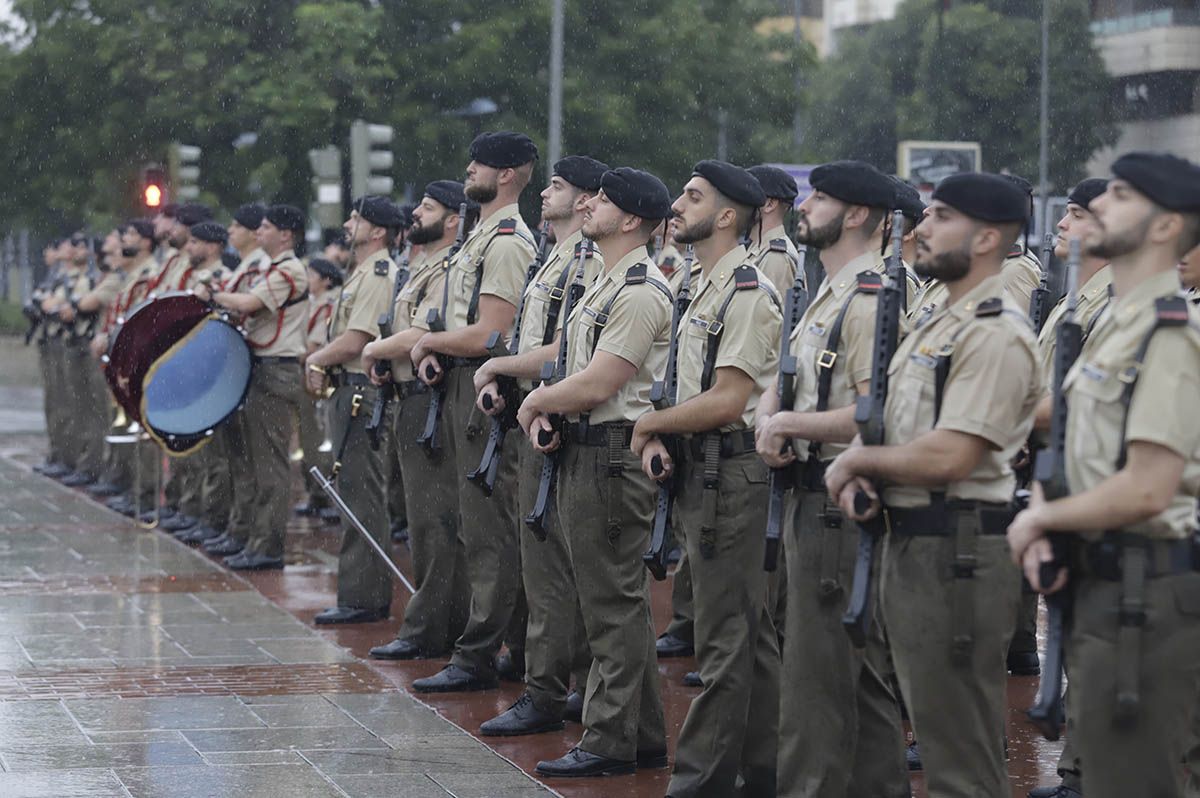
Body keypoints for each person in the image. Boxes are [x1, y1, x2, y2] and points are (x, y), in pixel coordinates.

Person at [825, 172, 1043, 796]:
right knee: (931, 722)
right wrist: (868, 458)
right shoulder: (939, 319)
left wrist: (855, 464)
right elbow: (890, 418)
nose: (921, 228)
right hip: (914, 542)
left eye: (942, 216)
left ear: (987, 238)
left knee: (959, 754)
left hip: (958, 549)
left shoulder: (994, 329)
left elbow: (952, 454)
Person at [1008, 152, 1200, 798]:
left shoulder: (1168, 334)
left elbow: (1148, 486)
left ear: (1167, 226)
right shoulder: (1119, 323)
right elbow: (1075, 443)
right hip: (1102, 579)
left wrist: (1042, 518)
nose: (1098, 207)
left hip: (1144, 590)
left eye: (1119, 195)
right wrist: (1048, 507)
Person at [755, 159, 911, 798]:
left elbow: (877, 415)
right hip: (810, 494)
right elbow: (790, 380)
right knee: (860, 675)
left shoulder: (869, 296)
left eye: (820, 198)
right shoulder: (832, 290)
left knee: (816, 678)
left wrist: (789, 421)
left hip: (835, 504)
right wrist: (772, 414)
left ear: (855, 215)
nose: (805, 205)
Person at [517, 166, 673, 777]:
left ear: (630, 220)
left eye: (604, 201)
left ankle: (610, 740)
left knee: (612, 605)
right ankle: (643, 735)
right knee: (610, 601)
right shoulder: (606, 281)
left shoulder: (638, 288)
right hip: (589, 449)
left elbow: (603, 381)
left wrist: (535, 401)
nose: (591, 205)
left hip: (610, 454)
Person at [632, 160, 782, 795]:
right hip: (707, 468)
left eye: (692, 197)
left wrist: (650, 423)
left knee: (726, 638)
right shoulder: (703, 283)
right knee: (749, 633)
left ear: (726, 216)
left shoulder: (746, 289)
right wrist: (667, 429)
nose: (678, 206)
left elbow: (727, 399)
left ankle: (701, 779)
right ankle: (765, 768)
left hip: (733, 471)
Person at [471, 156, 608, 735]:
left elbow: (562, 353)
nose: (545, 194)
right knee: (544, 563)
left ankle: (550, 691)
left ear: (583, 202)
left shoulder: (588, 260)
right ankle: (560, 680)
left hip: (558, 423)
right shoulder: (555, 256)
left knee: (553, 569)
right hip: (533, 417)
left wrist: (500, 364)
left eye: (557, 186)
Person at [408, 132, 538, 691]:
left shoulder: (506, 240)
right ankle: (514, 644)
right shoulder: (482, 235)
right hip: (462, 387)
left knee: (489, 529)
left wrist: (432, 345)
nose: (469, 169)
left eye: (480, 163)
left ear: (507, 174)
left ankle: (480, 654)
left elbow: (492, 332)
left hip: (485, 393)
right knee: (477, 524)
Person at [364, 181, 475, 660]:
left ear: (453, 220)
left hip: (429, 400)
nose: (415, 213)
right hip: (408, 396)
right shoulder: (421, 268)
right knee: (426, 519)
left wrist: (374, 348)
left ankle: (429, 630)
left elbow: (425, 330)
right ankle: (441, 624)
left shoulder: (448, 267)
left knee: (434, 521)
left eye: (427, 208)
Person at [306, 197, 405, 617]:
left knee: (361, 494)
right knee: (352, 491)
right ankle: (357, 593)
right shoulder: (362, 272)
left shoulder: (380, 273)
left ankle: (364, 598)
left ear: (378, 231)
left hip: (360, 392)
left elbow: (358, 339)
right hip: (348, 389)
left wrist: (316, 359)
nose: (348, 224)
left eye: (357, 219)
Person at [198, 204, 309, 571]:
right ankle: (250, 536)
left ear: (286, 235)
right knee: (250, 461)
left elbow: (248, 303)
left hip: (275, 371)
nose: (258, 232)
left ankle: (267, 545)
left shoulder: (289, 269)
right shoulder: (272, 268)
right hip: (260, 369)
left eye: (266, 227)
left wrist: (213, 296)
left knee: (270, 466)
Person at [202, 204, 270, 558]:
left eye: (236, 225)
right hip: (233, 364)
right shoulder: (247, 265)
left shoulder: (260, 266)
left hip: (249, 364)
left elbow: (246, 306)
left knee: (249, 459)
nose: (230, 230)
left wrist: (215, 296)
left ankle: (247, 531)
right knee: (236, 456)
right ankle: (237, 526)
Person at [293, 257, 342, 519]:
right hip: (306, 375)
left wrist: (291, 353)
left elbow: (314, 346)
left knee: (318, 439)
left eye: (312, 275)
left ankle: (325, 494)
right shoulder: (311, 304)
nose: (307, 280)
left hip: (318, 377)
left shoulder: (327, 307)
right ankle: (316, 493)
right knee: (308, 438)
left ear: (326, 280)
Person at [747, 163, 803, 291]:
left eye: (748, 195)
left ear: (769, 204)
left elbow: (768, 310)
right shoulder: (758, 248)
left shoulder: (775, 258)